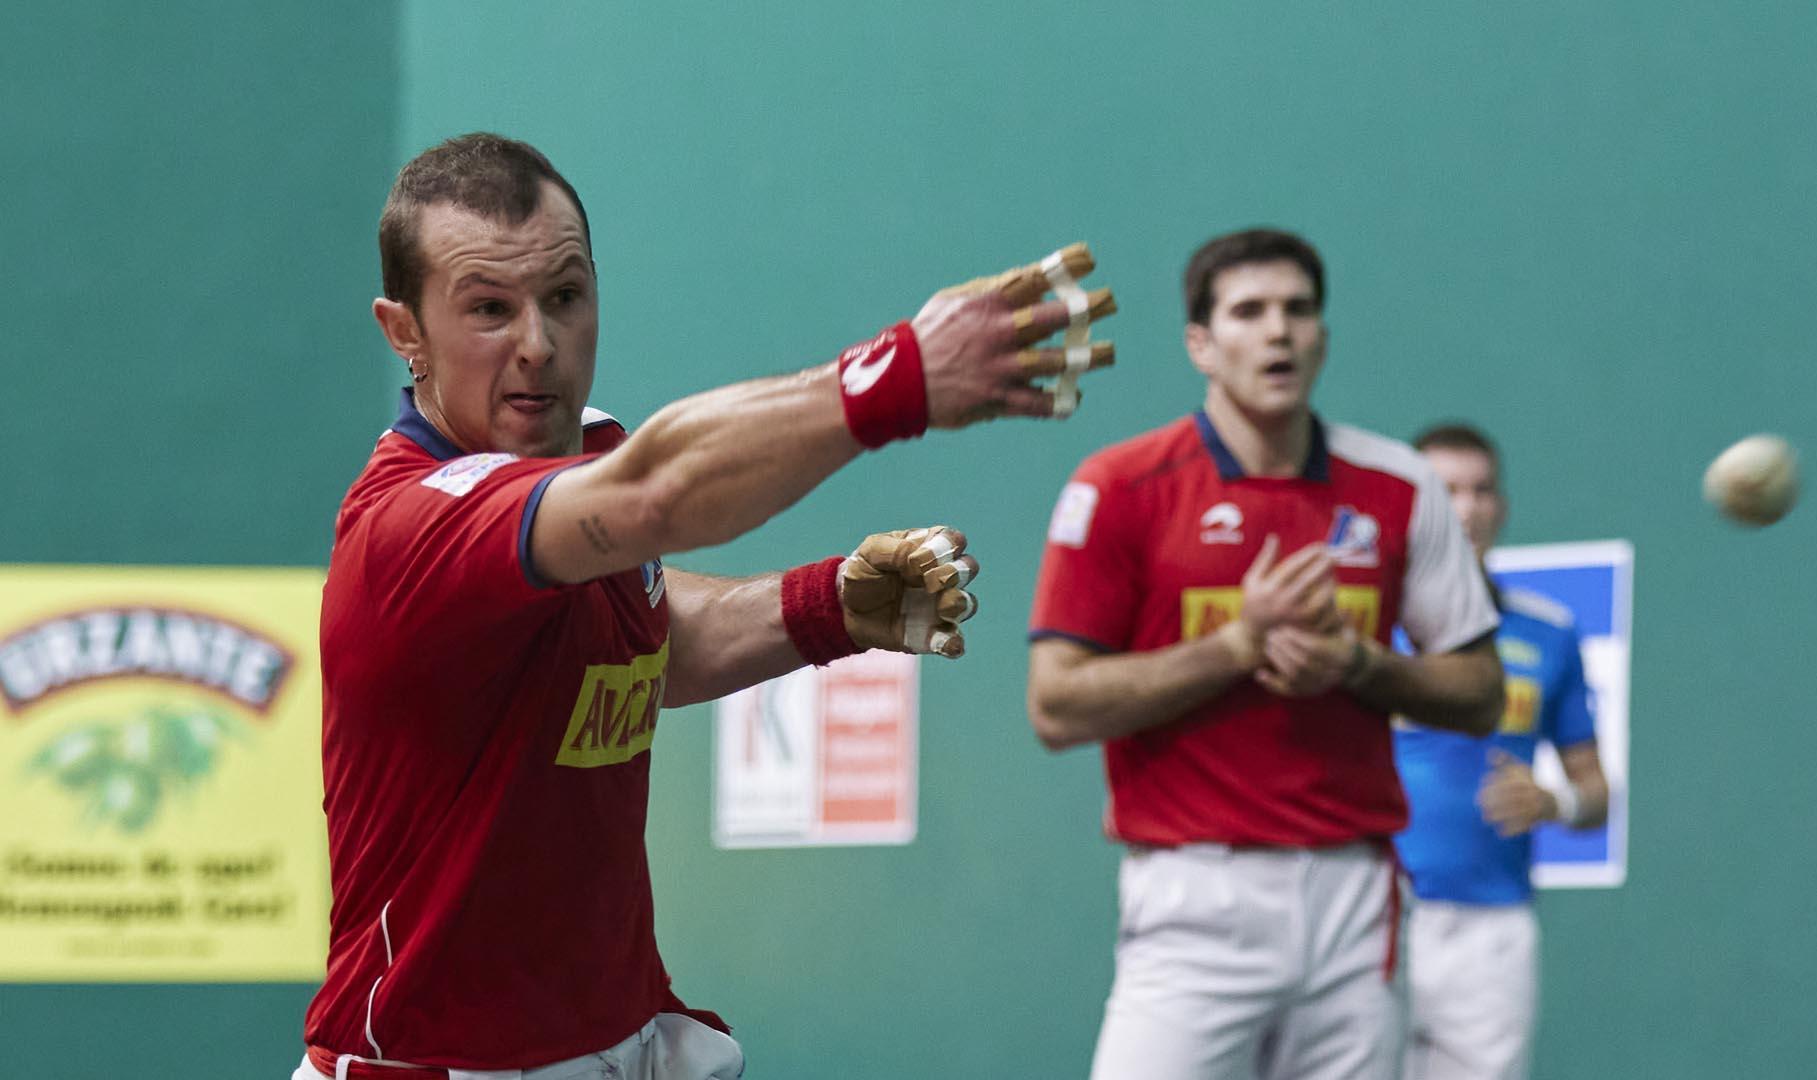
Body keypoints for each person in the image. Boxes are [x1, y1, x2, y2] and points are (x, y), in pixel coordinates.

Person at [298, 133, 1115, 1080]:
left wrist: (825, 609)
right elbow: (656, 501)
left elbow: (640, 633)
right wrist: (899, 379)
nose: (538, 344)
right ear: (403, 332)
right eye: (488, 309)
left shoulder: (585, 454)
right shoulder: (417, 525)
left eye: (564, 297)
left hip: (617, 1040)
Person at [1027, 227, 1506, 1080]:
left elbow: (1479, 693)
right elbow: (1055, 706)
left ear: (1322, 334)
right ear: (1201, 345)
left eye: (1298, 310)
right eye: (1249, 312)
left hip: (1354, 899)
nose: (1278, 332)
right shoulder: (1121, 489)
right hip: (1193, 898)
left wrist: (1359, 667)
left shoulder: (1400, 486)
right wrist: (1237, 645)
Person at [1393, 423, 1610, 1080]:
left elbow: (1595, 790)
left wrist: (1556, 800)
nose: (1467, 508)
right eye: (1446, 490)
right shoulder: (1366, 624)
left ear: (1503, 508)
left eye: (1482, 490)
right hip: (1372, 910)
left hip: (1493, 928)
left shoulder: (1548, 632)